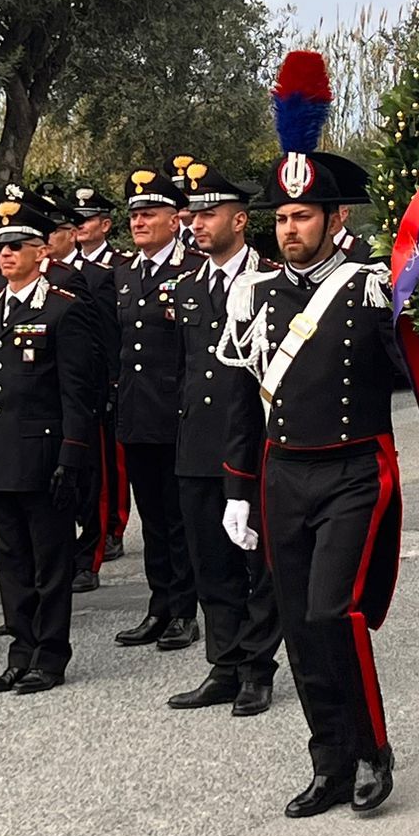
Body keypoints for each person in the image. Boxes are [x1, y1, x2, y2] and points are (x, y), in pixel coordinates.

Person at [217, 51, 406, 817]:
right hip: (282, 475)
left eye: (302, 216)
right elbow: (241, 399)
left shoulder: (373, 288)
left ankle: (371, 750)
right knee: (298, 625)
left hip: (354, 469)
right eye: (282, 217)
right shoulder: (253, 293)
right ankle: (328, 762)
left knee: (333, 612)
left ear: (336, 219)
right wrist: (238, 488)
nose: (289, 228)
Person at [164, 164, 281, 715]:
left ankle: (257, 668)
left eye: (208, 214)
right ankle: (224, 664)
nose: (197, 224)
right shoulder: (188, 285)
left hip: (253, 443)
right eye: (193, 215)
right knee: (210, 561)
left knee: (258, 563)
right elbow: (184, 369)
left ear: (239, 220)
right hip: (197, 443)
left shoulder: (271, 282)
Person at [0, 195, 102, 695]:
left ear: (42, 252)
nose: (6, 254)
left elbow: (77, 391)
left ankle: (50, 655)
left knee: (50, 562)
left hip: (44, 454)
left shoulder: (62, 309)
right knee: (11, 562)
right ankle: (19, 651)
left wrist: (72, 455)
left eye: (18, 245)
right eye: (2, 246)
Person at [110, 168, 199, 651]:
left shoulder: (192, 267)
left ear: (174, 219)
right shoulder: (126, 273)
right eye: (134, 215)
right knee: (152, 519)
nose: (139, 222)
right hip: (137, 414)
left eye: (148, 214)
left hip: (176, 414)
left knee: (179, 518)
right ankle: (159, 605)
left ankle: (184, 610)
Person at [40, 185, 121, 590]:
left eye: (52, 231)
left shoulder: (89, 276)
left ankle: (91, 554)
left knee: (91, 481)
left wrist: (107, 388)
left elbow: (103, 337)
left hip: (83, 391)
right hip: (42, 396)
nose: (46, 238)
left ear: (70, 233)